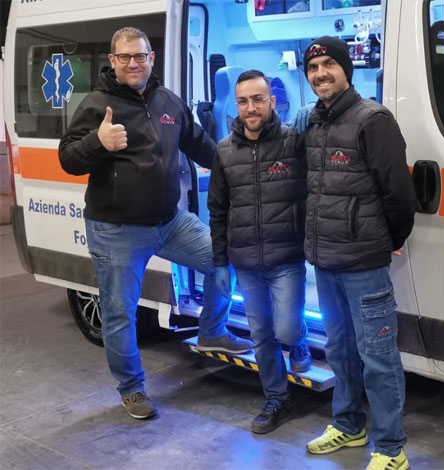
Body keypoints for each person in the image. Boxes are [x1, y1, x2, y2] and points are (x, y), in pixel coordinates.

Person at [58, 27, 253, 420]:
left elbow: (199, 145)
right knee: (120, 314)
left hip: (170, 221)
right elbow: (68, 159)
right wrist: (99, 143)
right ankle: (132, 389)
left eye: (140, 56)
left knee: (223, 259)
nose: (133, 63)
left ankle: (212, 331)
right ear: (112, 61)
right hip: (116, 230)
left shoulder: (168, 101)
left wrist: (239, 171)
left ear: (151, 58)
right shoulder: (96, 105)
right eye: (125, 57)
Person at [301, 37, 416, 470]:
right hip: (326, 260)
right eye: (313, 68)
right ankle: (349, 425)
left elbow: (398, 193)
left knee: (379, 359)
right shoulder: (314, 122)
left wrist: (389, 239)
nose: (321, 74)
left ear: (346, 69)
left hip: (363, 263)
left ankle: (391, 449)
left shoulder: (373, 120)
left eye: (328, 64)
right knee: (340, 351)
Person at [207, 69, 311, 434]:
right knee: (262, 335)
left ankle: (300, 342)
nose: (250, 108)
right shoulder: (224, 150)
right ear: (236, 105)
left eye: (258, 99)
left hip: (287, 257)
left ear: (273, 101)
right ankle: (276, 398)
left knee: (286, 328)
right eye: (243, 101)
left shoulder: (294, 143)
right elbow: (217, 209)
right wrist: (220, 262)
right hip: (245, 262)